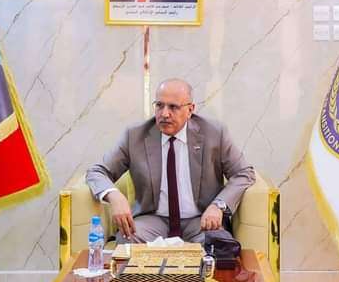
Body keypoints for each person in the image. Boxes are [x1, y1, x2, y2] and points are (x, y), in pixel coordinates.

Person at [85, 78, 254, 243]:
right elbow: (97, 172)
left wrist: (218, 205)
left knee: (216, 244)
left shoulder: (214, 133)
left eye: (173, 107)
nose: (165, 114)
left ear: (190, 110)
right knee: (128, 239)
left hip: (200, 219)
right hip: (153, 219)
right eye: (159, 105)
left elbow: (244, 173)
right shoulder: (135, 136)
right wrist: (114, 196)